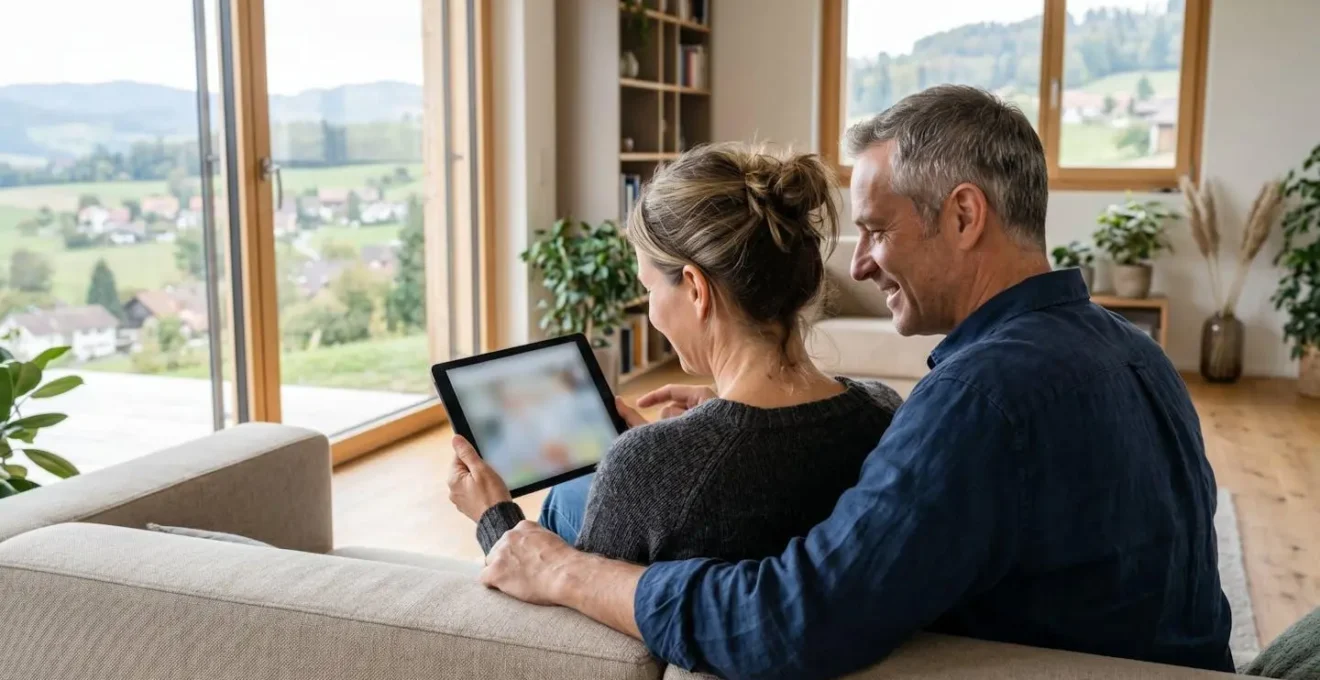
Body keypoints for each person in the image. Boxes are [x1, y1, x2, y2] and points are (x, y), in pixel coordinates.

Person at [470, 85, 1234, 679]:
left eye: (875, 229)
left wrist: (562, 568)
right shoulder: (1131, 350)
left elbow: (789, 621)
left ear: (965, 215)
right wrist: (719, 418)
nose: (861, 263)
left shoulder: (981, 398)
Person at [448, 143, 903, 565]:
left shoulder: (645, 466)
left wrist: (494, 516)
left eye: (649, 289)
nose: (651, 312)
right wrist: (688, 439)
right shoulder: (883, 411)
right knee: (571, 493)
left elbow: (576, 635)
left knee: (563, 503)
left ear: (695, 288)